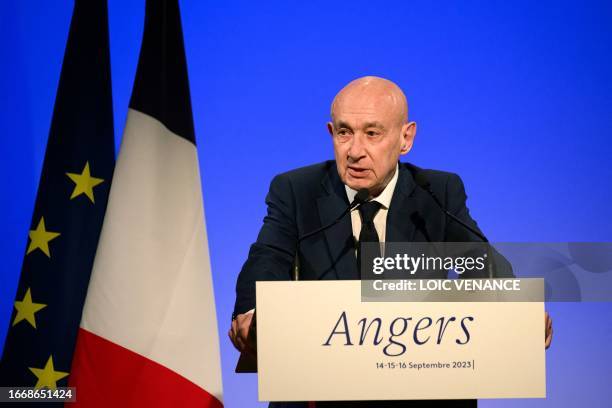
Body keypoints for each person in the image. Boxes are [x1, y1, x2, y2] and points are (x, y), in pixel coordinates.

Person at [229, 76, 553, 407]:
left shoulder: (436, 193)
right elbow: (268, 257)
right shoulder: (297, 191)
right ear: (331, 133)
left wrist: (516, 307)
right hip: (321, 394)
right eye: (344, 132)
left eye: (372, 133)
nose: (355, 151)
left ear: (405, 138)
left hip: (422, 393)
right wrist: (253, 310)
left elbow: (476, 260)